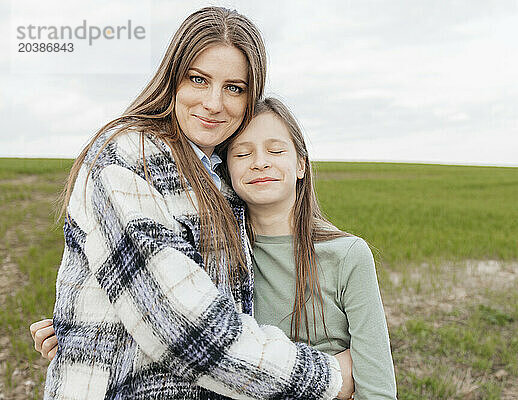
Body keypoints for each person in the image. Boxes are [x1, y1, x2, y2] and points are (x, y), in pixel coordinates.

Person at [30, 7, 353, 400]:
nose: (214, 103)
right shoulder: (129, 157)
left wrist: (88, 322)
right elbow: (183, 328)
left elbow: (220, 297)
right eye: (198, 79)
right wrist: (329, 376)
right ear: (172, 78)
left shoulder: (222, 174)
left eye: (235, 87)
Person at [33, 97, 397, 399]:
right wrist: (82, 331)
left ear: (301, 164)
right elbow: (176, 317)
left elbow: (377, 385)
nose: (260, 161)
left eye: (276, 149)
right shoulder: (216, 255)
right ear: (224, 170)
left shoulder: (347, 255)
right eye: (242, 154)